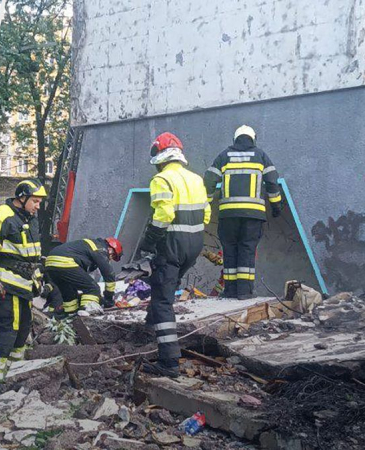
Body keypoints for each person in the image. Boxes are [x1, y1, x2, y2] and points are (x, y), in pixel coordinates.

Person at [139, 132, 211, 378]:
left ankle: (169, 362)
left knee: (162, 301)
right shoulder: (196, 179)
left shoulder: (162, 179)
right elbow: (206, 214)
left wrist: (148, 243)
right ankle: (149, 328)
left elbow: (163, 216)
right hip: (195, 243)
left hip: (172, 244)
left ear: (160, 157)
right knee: (166, 286)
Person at [0, 179, 46, 386]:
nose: (37, 206)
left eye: (39, 202)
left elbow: (32, 256)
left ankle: (14, 377)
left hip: (24, 286)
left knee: (22, 332)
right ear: (22, 197)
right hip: (4, 287)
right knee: (6, 333)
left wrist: (39, 281)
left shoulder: (30, 219)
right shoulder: (2, 215)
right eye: (35, 201)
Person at [203, 125, 283, 300]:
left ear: (235, 139)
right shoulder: (261, 156)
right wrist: (276, 206)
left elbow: (209, 180)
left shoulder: (223, 156)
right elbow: (272, 181)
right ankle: (244, 292)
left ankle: (230, 290)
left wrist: (206, 204)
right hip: (253, 215)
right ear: (253, 138)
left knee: (229, 249)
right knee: (247, 249)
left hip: (228, 215)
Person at [45, 237, 123, 314]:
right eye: (113, 256)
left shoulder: (88, 246)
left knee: (69, 295)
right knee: (92, 289)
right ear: (110, 249)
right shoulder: (101, 249)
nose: (110, 259)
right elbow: (108, 273)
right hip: (65, 261)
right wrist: (109, 297)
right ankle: (86, 315)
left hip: (50, 262)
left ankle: (68, 315)